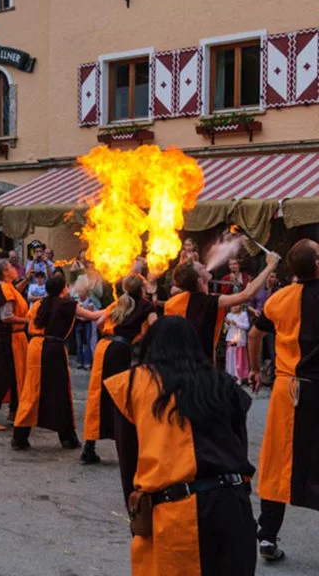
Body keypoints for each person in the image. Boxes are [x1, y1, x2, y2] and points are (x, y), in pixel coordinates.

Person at [104, 316, 257, 576]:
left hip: (177, 513)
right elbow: (239, 445)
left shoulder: (134, 384)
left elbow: (129, 458)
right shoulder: (222, 384)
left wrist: (136, 513)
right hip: (233, 506)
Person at [248, 239, 319, 562]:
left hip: (284, 390)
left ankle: (267, 535)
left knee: (278, 461)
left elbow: (254, 334)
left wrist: (253, 370)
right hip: (314, 390)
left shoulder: (279, 299)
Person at [13, 274, 104, 450]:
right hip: (52, 349)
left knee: (32, 391)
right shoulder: (67, 305)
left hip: (35, 347)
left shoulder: (40, 303)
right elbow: (92, 316)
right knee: (60, 393)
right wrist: (117, 307)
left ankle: (20, 437)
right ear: (63, 289)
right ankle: (67, 438)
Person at [81, 274, 158, 464]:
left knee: (98, 396)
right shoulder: (146, 306)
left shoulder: (119, 303)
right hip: (120, 351)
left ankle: (89, 446)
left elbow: (98, 323)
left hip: (103, 348)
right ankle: (127, 447)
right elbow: (156, 327)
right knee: (121, 396)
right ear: (141, 289)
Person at [164, 252, 280, 362]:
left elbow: (181, 281)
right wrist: (270, 266)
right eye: (200, 268)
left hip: (180, 360)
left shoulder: (181, 300)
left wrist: (182, 266)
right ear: (200, 281)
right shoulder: (208, 302)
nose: (204, 266)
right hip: (200, 366)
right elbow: (247, 295)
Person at [0, 259, 29, 431]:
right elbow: (6, 317)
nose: (15, 269)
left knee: (16, 377)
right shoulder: (3, 290)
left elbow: (15, 293)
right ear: (5, 272)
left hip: (14, 340)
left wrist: (27, 279)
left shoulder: (8, 287)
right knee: (0, 378)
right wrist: (28, 321)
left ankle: (14, 411)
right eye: (11, 267)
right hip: (6, 340)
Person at [249, 271, 280, 386]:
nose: (270, 279)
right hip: (259, 323)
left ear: (276, 279)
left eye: (272, 277)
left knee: (273, 352)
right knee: (258, 349)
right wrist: (254, 311)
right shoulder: (259, 291)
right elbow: (250, 305)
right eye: (268, 276)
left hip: (272, 325)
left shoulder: (279, 291)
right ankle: (258, 373)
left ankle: (272, 377)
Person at [72, 281, 96, 370]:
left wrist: (82, 317)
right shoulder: (77, 302)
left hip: (86, 324)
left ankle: (87, 363)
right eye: (79, 291)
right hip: (78, 324)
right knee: (79, 343)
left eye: (82, 291)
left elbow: (90, 313)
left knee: (87, 343)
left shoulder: (89, 301)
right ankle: (79, 362)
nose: (80, 293)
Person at [224, 305, 250, 384]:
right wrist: (227, 323)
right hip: (230, 338)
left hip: (239, 339)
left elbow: (246, 326)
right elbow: (227, 327)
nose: (234, 307)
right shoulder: (229, 315)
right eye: (233, 306)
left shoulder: (243, 314)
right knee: (230, 357)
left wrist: (237, 323)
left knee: (239, 358)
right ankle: (230, 374)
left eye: (236, 305)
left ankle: (239, 376)